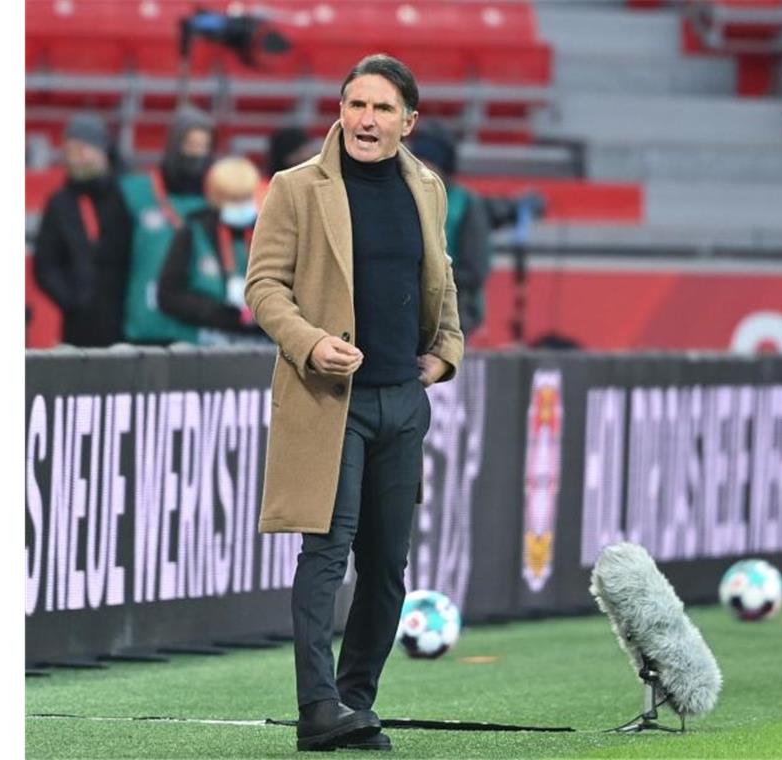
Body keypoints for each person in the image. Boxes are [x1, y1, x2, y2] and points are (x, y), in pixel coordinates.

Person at [245, 54, 463, 752]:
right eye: (355, 104)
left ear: (409, 120)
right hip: (329, 401)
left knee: (387, 566)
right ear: (340, 111)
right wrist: (309, 343)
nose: (366, 119)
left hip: (402, 400)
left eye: (381, 107)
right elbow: (264, 288)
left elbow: (442, 277)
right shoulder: (296, 187)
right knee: (326, 554)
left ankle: (356, 702)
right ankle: (318, 708)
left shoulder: (427, 186)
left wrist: (447, 350)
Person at [118, 106, 216, 344]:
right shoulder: (135, 193)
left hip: (202, 329)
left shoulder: (218, 198)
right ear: (175, 144)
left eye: (203, 146)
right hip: (143, 324)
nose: (196, 153)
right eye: (190, 144)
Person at [33, 113, 133, 347]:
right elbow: (45, 264)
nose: (75, 158)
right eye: (69, 151)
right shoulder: (60, 202)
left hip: (131, 321)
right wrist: (74, 301)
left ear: (102, 150)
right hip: (81, 327)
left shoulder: (129, 195)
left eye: (82, 149)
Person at [157, 156, 269, 345]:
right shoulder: (193, 231)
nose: (241, 205)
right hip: (205, 343)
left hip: (262, 342)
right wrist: (217, 313)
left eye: (245, 198)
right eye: (234, 199)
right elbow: (169, 293)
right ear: (217, 197)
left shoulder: (268, 229)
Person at [408, 125, 492, 339]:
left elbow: (475, 271)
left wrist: (426, 275)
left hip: (453, 315)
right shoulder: (400, 200)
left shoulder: (467, 205)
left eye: (428, 165)